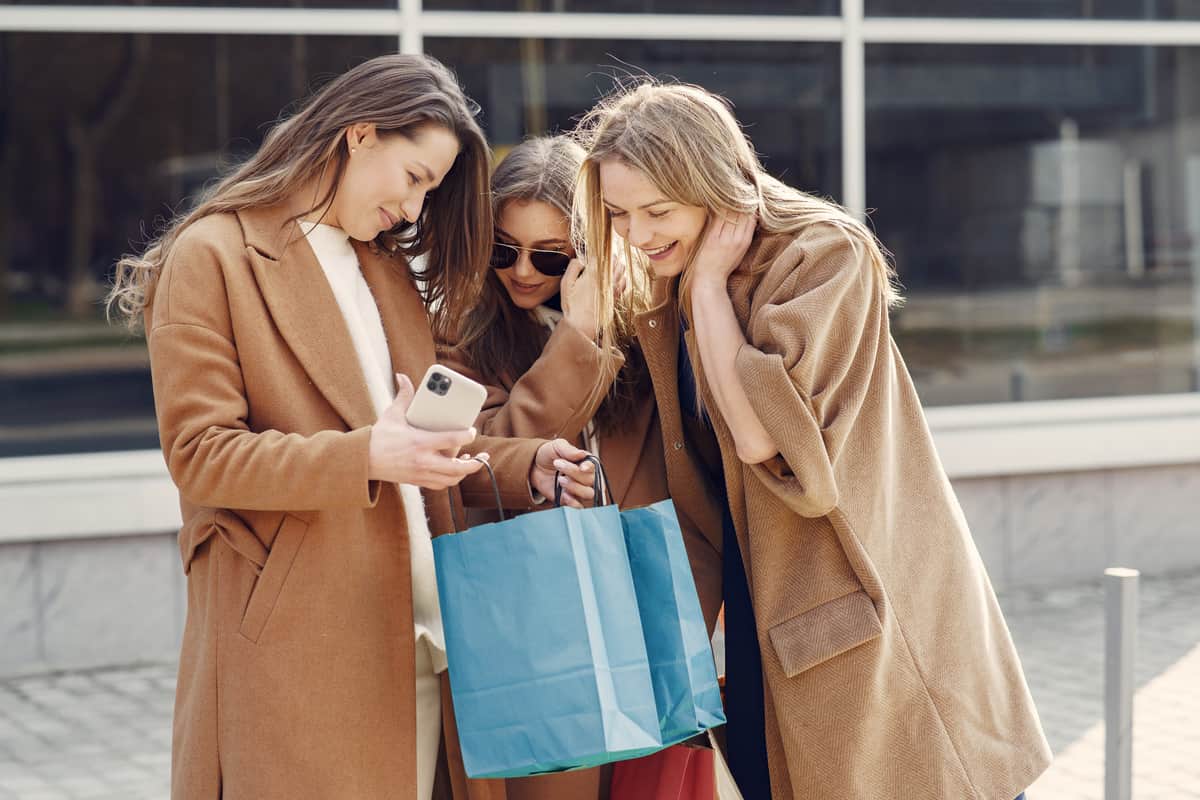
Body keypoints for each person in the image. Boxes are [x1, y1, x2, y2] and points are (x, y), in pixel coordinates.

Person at [107, 54, 595, 800]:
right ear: (359, 135)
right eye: (414, 178)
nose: (413, 208)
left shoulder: (385, 269)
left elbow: (424, 441)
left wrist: (521, 466)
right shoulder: (215, 256)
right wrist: (367, 454)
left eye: (429, 190)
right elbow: (202, 456)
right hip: (304, 643)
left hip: (428, 631)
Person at [573, 80, 1050, 800]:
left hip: (859, 600)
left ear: (711, 184)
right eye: (619, 215)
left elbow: (775, 445)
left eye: (657, 211)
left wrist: (706, 292)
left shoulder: (822, 256)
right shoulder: (664, 284)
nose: (637, 236)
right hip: (763, 606)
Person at [442, 134, 723, 800]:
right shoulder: (459, 329)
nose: (522, 272)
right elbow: (478, 460)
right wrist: (577, 337)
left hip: (649, 601)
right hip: (539, 613)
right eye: (504, 250)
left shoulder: (649, 323)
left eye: (549, 254)